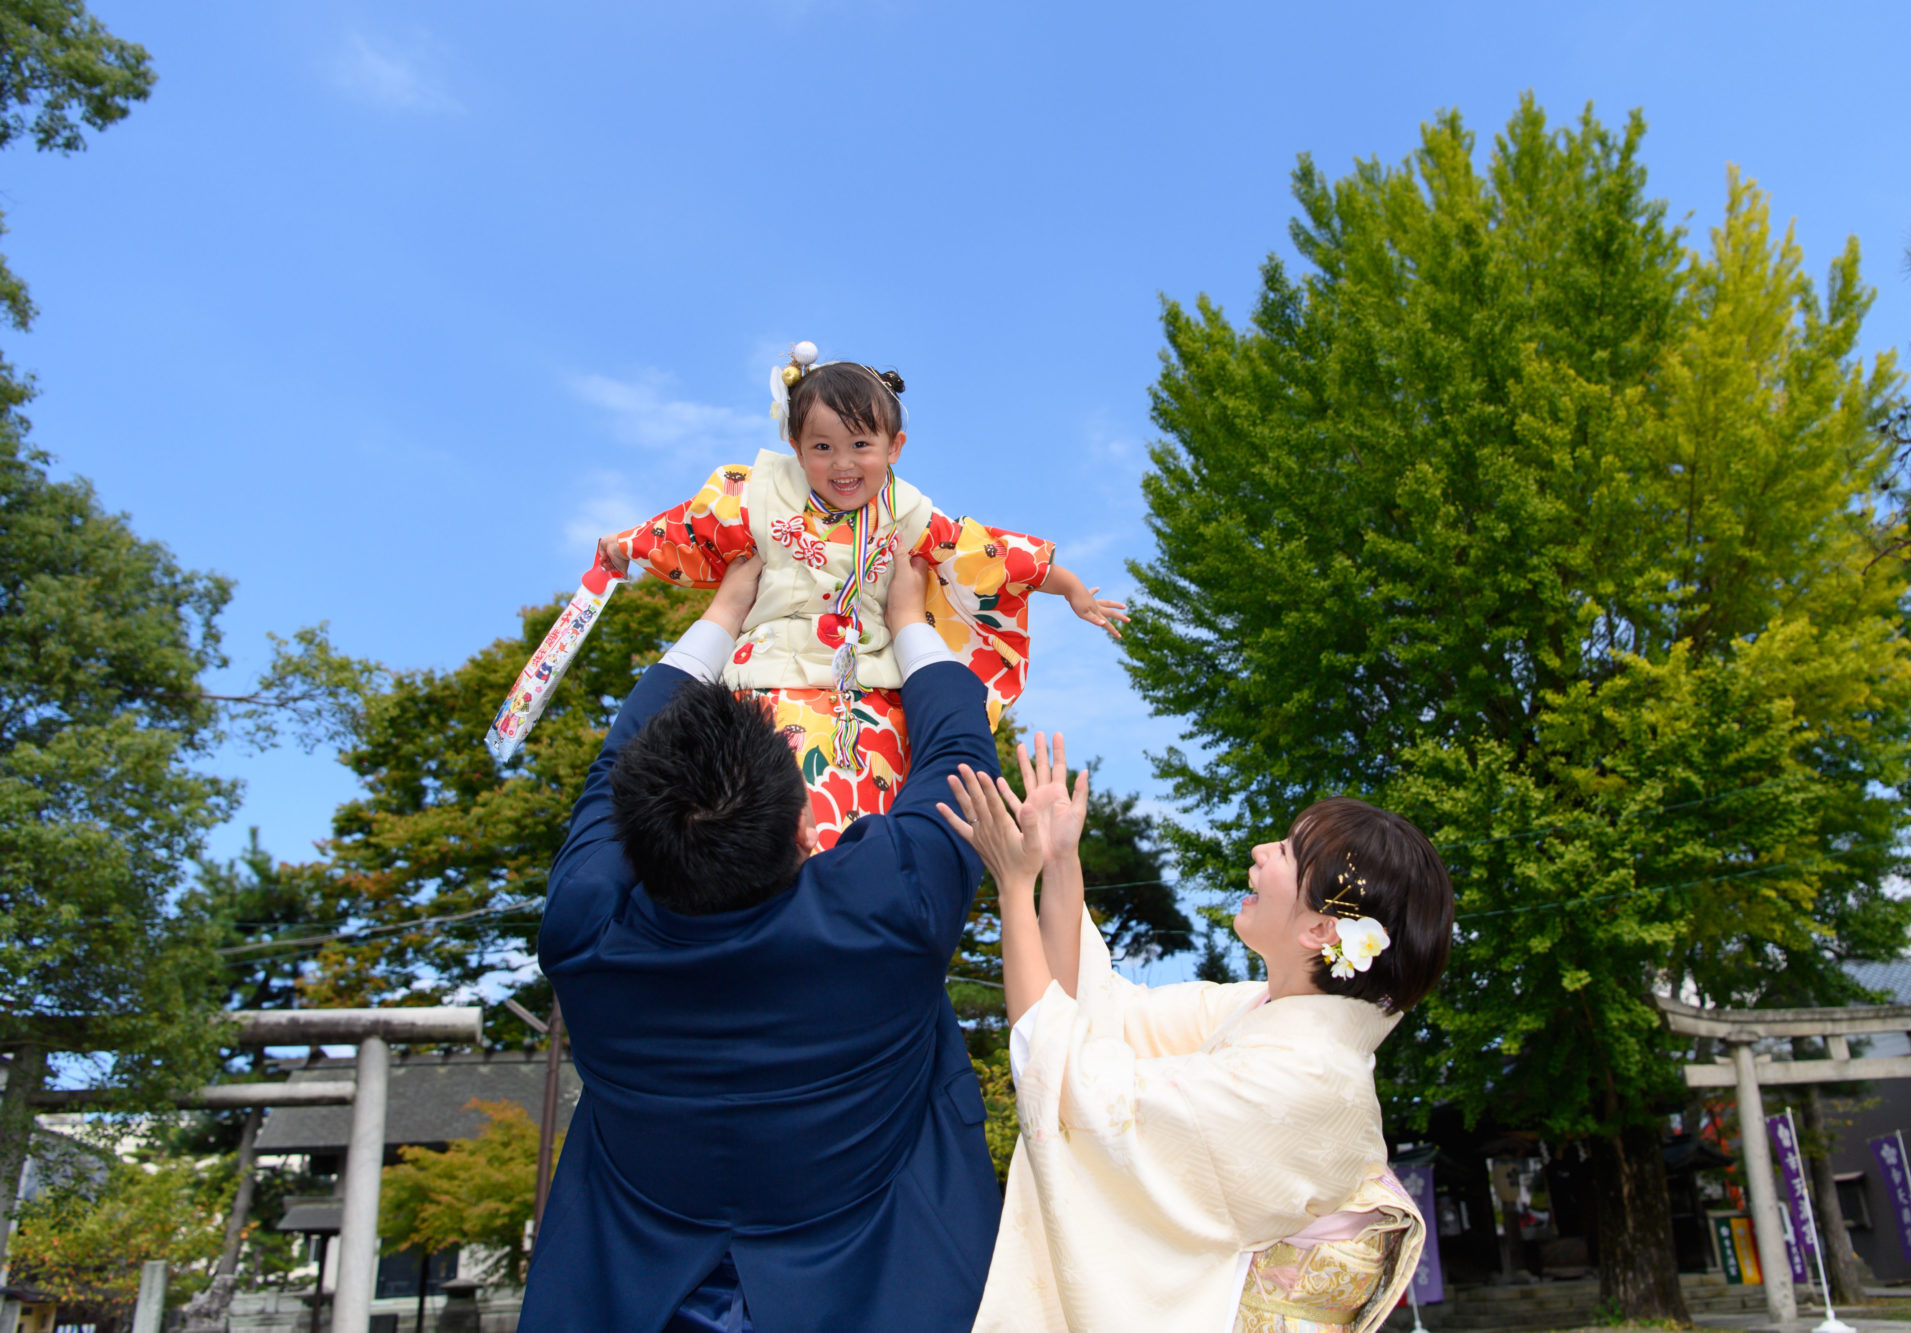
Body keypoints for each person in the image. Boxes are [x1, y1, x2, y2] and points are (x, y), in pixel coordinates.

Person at [517, 549, 1003, 1333]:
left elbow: (612, 770)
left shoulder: (583, 931)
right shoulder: (887, 906)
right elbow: (959, 762)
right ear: (810, 828)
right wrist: (909, 619)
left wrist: (721, 612)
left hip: (631, 1297)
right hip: (882, 1288)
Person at [940, 739, 1454, 1332]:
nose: (1261, 851)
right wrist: (1058, 862)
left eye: (1287, 851)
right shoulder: (1263, 1014)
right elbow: (1094, 1013)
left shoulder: (1305, 1079)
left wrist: (1013, 887)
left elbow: (1071, 1081)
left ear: (1320, 929)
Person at [590, 341, 1127, 851]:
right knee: (748, 820)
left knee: (859, 823)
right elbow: (691, 525)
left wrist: (1068, 586)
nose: (842, 463)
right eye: (822, 447)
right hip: (757, 685)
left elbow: (986, 554)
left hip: (867, 695)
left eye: (860, 446)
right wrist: (629, 544)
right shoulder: (758, 495)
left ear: (895, 447)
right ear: (795, 446)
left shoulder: (909, 515)